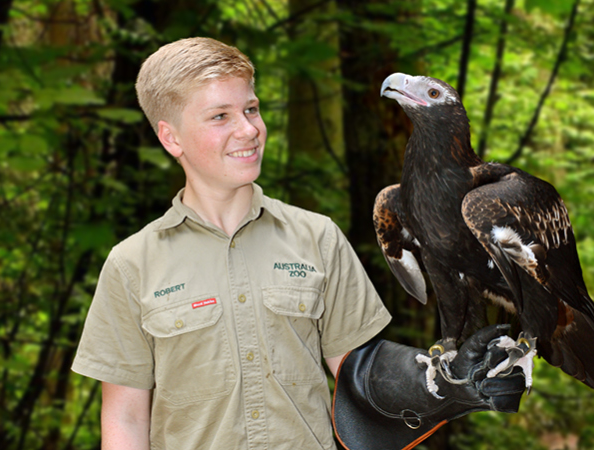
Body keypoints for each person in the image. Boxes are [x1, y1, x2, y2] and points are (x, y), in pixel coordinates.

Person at [70, 37, 527, 450]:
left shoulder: (317, 238)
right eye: (220, 117)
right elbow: (126, 417)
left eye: (251, 109)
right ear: (171, 137)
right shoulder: (132, 263)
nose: (249, 130)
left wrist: (444, 382)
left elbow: (360, 375)